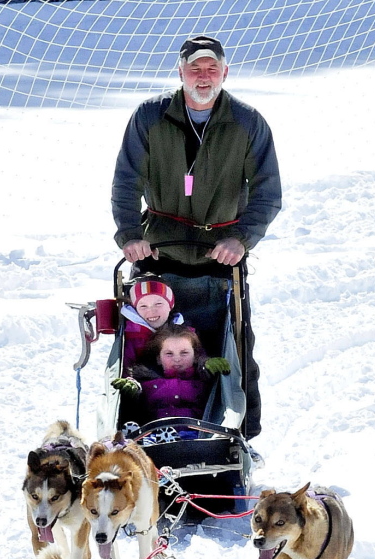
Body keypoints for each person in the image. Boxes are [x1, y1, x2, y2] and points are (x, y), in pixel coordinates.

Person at [111, 34, 282, 443]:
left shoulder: (247, 122)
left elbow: (268, 192)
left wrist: (242, 238)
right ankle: (133, 427)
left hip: (219, 256)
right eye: (195, 68)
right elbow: (125, 181)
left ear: (225, 72)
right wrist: (130, 235)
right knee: (145, 351)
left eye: (211, 69)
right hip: (158, 253)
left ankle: (242, 434)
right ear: (180, 72)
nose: (203, 77)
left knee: (235, 346)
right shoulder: (149, 117)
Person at [112, 325, 230, 429]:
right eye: (169, 354)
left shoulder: (202, 379)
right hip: (153, 433)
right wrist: (133, 389)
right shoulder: (146, 381)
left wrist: (207, 365)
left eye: (184, 353)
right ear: (158, 359)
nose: (177, 359)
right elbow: (135, 407)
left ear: (195, 356)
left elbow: (216, 399)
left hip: (195, 433)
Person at [121, 275, 185, 373]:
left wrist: (204, 362)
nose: (151, 311)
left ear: (170, 305)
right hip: (146, 384)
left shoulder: (184, 332)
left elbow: (197, 354)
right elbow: (125, 367)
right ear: (136, 310)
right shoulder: (132, 338)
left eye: (158, 304)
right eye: (143, 306)